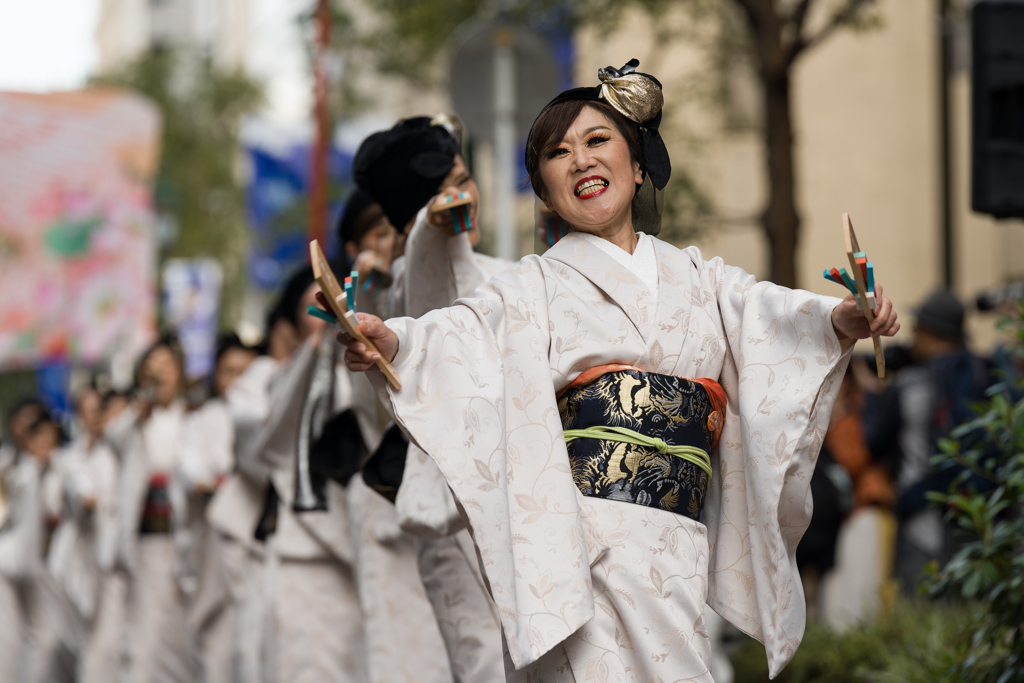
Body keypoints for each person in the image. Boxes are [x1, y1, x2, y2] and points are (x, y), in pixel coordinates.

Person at [336, 59, 900, 681]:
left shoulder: (700, 278)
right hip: (585, 546)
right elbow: (460, 334)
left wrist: (842, 320)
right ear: (546, 190)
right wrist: (392, 341)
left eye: (597, 141)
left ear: (637, 167)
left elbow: (769, 316)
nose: (581, 160)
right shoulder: (531, 288)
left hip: (678, 540)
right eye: (559, 152)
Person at [350, 115, 511, 682]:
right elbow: (430, 249)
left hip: (517, 499)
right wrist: (434, 220)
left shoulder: (492, 272)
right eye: (457, 181)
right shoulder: (417, 278)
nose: (471, 194)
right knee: (487, 664)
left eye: (468, 179)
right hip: (456, 511)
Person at [860, 288, 989, 594]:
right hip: (975, 519)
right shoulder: (981, 372)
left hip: (922, 520)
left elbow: (873, 441)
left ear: (930, 331)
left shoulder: (913, 385)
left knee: (920, 611)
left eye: (917, 329)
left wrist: (875, 395)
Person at [104, 336, 201, 682]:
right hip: (146, 538)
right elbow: (111, 440)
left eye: (167, 367)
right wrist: (135, 412)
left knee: (183, 626)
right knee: (145, 627)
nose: (160, 375)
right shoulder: (134, 420)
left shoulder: (193, 416)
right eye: (152, 369)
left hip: (185, 533)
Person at [44, 386, 122, 683]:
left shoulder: (119, 450)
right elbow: (56, 503)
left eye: (99, 410)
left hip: (112, 557)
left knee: (108, 640)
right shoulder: (67, 457)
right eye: (87, 411)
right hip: (78, 561)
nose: (95, 418)